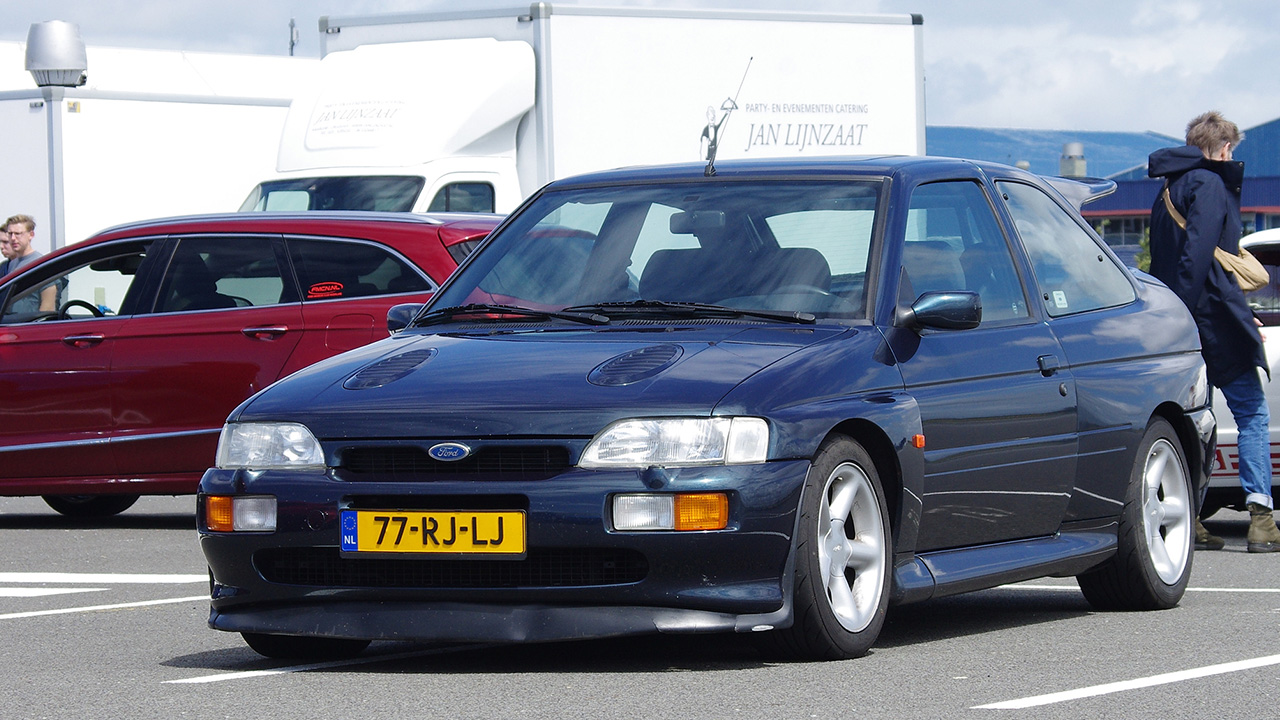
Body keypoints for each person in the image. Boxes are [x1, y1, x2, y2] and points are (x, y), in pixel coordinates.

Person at [1148, 111, 1280, 553]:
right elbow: (1201, 256)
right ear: (1224, 149)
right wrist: (1219, 314)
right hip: (1209, 321)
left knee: (1193, 420)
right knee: (1252, 414)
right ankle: (1262, 520)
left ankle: (1195, 518)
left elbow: (1173, 263)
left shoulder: (1166, 189)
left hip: (1182, 321)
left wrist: (1172, 318)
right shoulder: (1209, 185)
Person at [1, 215, 57, 314]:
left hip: (30, 325)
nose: (13, 238)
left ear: (31, 235)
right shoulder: (12, 264)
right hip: (12, 323)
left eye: (18, 234)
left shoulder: (41, 264)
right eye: (10, 234)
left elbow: (48, 308)